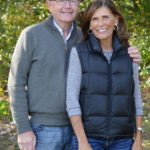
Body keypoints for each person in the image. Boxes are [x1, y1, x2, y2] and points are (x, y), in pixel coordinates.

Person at [8, 0, 141, 150]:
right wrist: (23, 128)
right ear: (49, 5)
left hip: (81, 129)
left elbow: (112, 59)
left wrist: (132, 54)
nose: (67, 6)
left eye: (72, 1)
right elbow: (16, 83)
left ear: (79, 4)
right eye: (60, 1)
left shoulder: (86, 37)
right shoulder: (31, 35)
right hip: (44, 129)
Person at [66, 0, 143, 150]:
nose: (100, 23)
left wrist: (138, 138)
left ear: (116, 20)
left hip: (123, 140)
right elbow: (71, 100)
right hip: (89, 139)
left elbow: (136, 98)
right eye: (95, 19)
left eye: (105, 17)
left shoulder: (129, 53)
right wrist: (82, 142)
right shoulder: (80, 52)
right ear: (89, 25)